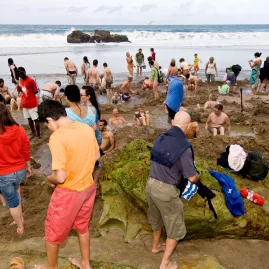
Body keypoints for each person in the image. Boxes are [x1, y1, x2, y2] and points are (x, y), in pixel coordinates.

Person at [35, 100, 100, 269]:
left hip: (68, 193)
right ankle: (85, 263)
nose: (48, 128)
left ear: (49, 119)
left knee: (52, 234)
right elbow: (96, 156)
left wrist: (50, 178)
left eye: (46, 124)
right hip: (88, 188)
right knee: (82, 227)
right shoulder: (86, 129)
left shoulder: (57, 137)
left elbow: (61, 177)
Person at [147, 111, 199, 269]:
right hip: (166, 190)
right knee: (175, 227)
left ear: (173, 123)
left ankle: (156, 246)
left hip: (150, 184)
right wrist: (197, 176)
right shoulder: (184, 147)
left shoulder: (161, 137)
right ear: (188, 126)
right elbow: (191, 177)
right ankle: (165, 263)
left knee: (155, 218)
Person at [0, 104, 31, 235]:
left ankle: (20, 226)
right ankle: (20, 217)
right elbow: (26, 149)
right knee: (16, 191)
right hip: (20, 170)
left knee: (12, 202)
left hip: (4, 174)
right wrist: (28, 166)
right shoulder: (20, 130)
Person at [17, 67, 40, 139]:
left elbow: (36, 91)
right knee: (29, 119)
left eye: (21, 73)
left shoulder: (31, 80)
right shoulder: (20, 80)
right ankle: (33, 133)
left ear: (25, 72)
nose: (20, 75)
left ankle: (38, 135)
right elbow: (22, 90)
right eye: (19, 73)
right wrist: (19, 88)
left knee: (35, 119)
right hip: (24, 103)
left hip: (32, 103)